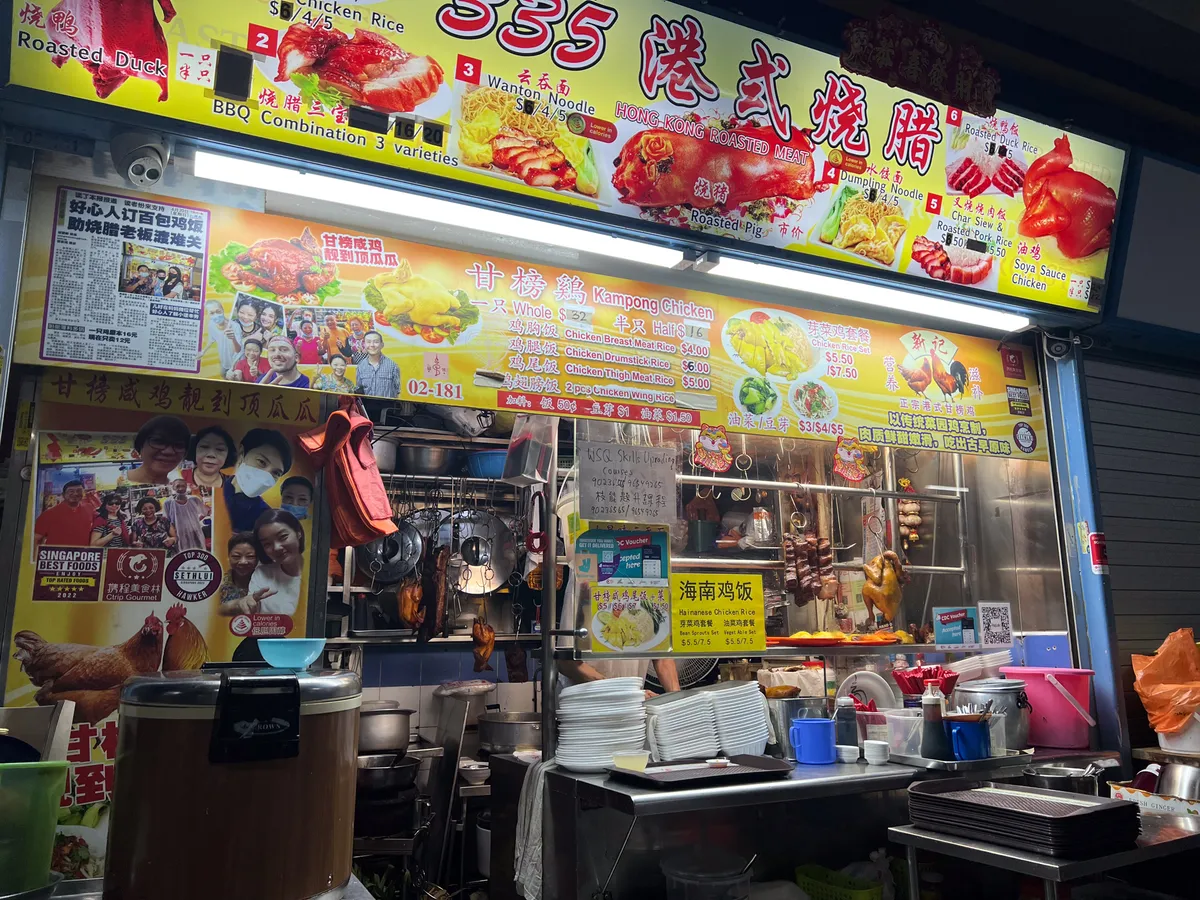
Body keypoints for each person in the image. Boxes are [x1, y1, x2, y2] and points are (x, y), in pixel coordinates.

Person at [223, 428, 293, 532]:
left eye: (275, 473)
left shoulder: (267, 519)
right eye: (261, 462)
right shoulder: (214, 488)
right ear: (242, 453)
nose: (265, 477)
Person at [248, 509, 306, 615]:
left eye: (283, 537)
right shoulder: (262, 574)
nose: (276, 547)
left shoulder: (315, 571)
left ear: (298, 533)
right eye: (267, 544)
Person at [126, 415, 190, 484]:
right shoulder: (118, 482)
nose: (169, 451)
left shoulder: (181, 487)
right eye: (159, 442)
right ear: (140, 445)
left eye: (178, 445)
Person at [33, 480, 95, 547]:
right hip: (57, 552)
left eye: (79, 491)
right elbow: (35, 538)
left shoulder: (89, 508)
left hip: (83, 552)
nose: (75, 494)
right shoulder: (48, 514)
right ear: (63, 495)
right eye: (71, 491)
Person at [219, 532, 260, 616]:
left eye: (250, 556)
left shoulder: (265, 582)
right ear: (228, 557)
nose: (243, 562)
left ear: (258, 558)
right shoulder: (218, 582)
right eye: (236, 556)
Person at [183, 426, 236, 490]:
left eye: (220, 449)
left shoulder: (234, 484)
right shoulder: (177, 477)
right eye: (204, 447)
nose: (211, 455)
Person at [164, 478, 208, 551]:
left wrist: (194, 521)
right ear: (173, 487)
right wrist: (173, 535)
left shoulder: (194, 499)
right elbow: (167, 522)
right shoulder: (168, 503)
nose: (181, 488)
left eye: (183, 486)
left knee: (198, 552)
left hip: (195, 532)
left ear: (186, 487)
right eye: (178, 486)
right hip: (179, 535)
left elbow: (205, 512)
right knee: (183, 554)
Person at [355, 330, 400, 398]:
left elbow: (398, 391)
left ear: (382, 345)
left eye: (376, 342)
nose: (372, 345)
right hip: (367, 404)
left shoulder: (393, 366)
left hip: (387, 404)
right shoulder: (361, 366)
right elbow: (359, 390)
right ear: (364, 345)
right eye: (368, 342)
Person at [205, 300, 237, 374]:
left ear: (223, 310)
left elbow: (239, 349)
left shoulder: (234, 325)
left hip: (235, 362)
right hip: (223, 361)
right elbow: (211, 340)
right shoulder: (211, 325)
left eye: (218, 311)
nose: (216, 315)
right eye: (212, 313)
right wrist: (203, 352)